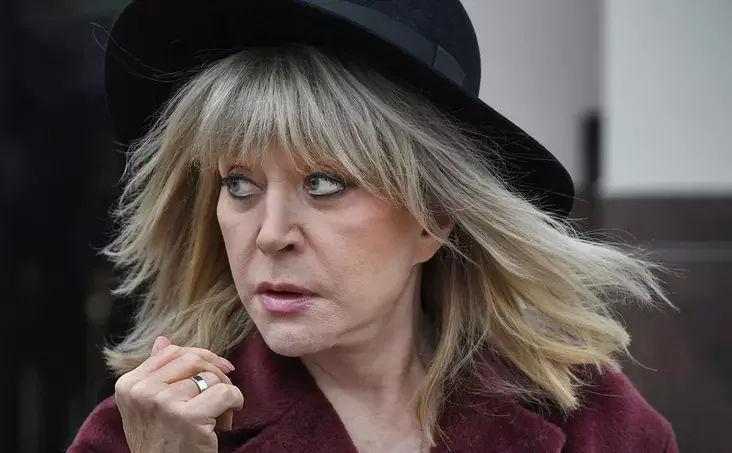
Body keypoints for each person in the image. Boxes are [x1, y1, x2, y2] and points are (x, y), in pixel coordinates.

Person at [68, 0, 678, 452]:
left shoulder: (596, 422)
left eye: (324, 183)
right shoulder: (146, 431)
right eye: (240, 184)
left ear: (433, 219)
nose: (271, 234)